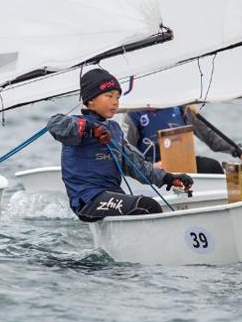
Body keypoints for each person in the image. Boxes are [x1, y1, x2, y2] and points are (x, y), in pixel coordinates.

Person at [47, 68, 193, 222]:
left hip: (111, 194)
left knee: (150, 206)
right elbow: (54, 124)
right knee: (147, 206)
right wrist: (88, 128)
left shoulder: (114, 130)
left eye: (117, 96)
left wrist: (169, 178)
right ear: (90, 100)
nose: (115, 102)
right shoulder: (75, 125)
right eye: (108, 96)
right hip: (87, 199)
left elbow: (138, 165)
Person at [121, 106, 242, 174]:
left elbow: (208, 135)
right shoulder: (134, 115)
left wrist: (237, 152)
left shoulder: (181, 108)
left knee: (211, 166)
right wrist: (150, 167)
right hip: (154, 171)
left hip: (183, 163)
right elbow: (126, 153)